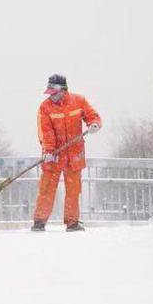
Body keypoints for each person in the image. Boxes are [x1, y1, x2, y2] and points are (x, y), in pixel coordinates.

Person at [32, 74, 101, 232]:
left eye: (53, 93)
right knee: (47, 188)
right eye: (49, 93)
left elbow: (92, 115)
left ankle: (72, 222)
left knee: (73, 190)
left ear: (63, 90)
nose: (51, 97)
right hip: (54, 155)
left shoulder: (79, 101)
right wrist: (48, 151)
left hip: (74, 154)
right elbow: (45, 132)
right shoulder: (45, 107)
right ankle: (39, 222)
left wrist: (94, 124)